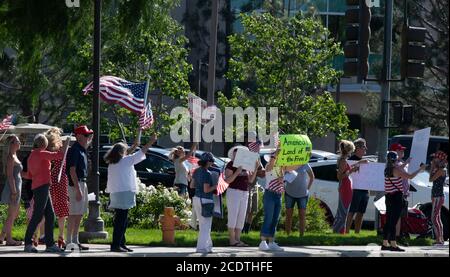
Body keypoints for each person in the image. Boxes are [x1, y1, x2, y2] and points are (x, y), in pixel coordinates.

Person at [104, 134, 157, 252]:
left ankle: (121, 243)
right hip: (124, 193)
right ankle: (116, 245)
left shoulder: (113, 163)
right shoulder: (125, 161)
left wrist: (137, 139)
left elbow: (132, 152)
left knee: (121, 219)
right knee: (121, 221)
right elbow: (141, 152)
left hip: (116, 193)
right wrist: (151, 141)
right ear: (121, 152)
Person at [23, 133, 69, 253]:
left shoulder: (32, 155)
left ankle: (50, 244)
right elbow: (58, 156)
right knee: (38, 215)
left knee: (50, 215)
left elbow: (28, 174)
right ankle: (28, 243)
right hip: (42, 186)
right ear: (44, 143)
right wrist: (64, 147)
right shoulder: (42, 153)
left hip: (39, 186)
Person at [381, 151, 426, 252]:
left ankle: (384, 243)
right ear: (395, 160)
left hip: (388, 197)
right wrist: (420, 169)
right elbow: (410, 176)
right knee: (393, 221)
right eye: (397, 159)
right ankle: (393, 245)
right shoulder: (396, 170)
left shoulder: (387, 169)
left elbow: (398, 169)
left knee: (388, 221)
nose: (398, 161)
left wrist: (406, 163)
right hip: (396, 197)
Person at [258, 148, 295, 251]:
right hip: (269, 194)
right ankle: (263, 242)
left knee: (275, 219)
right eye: (275, 156)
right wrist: (275, 154)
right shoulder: (268, 166)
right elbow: (269, 168)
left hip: (278, 195)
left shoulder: (282, 168)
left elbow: (294, 168)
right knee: (268, 218)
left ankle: (271, 241)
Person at [224, 145, 258, 246]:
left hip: (244, 192)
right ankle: (232, 240)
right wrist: (237, 172)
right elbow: (227, 180)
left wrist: (255, 168)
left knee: (241, 216)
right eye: (235, 152)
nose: (237, 154)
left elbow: (251, 180)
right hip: (234, 191)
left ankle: (238, 239)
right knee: (233, 216)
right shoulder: (230, 165)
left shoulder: (247, 165)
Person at [65, 125, 93, 251]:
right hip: (76, 184)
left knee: (79, 213)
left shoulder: (81, 148)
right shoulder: (75, 150)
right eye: (86, 135)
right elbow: (72, 170)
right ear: (79, 136)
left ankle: (75, 241)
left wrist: (90, 137)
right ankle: (69, 241)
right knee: (73, 214)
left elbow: (87, 143)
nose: (88, 138)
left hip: (82, 183)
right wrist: (78, 189)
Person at [333, 140, 367, 234]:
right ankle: (339, 231)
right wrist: (351, 171)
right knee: (344, 211)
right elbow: (340, 176)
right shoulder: (343, 161)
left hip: (347, 186)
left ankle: (340, 231)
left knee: (344, 210)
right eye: (352, 149)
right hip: (345, 186)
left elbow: (347, 170)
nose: (353, 151)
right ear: (349, 150)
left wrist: (357, 164)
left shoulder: (344, 159)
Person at [45, 128, 70, 249]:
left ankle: (41, 235)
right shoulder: (60, 151)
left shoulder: (46, 151)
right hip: (58, 181)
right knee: (60, 210)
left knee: (49, 209)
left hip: (49, 181)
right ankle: (60, 236)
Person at [191, 152, 217, 254]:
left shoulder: (196, 171)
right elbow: (206, 190)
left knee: (203, 225)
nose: (212, 164)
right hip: (206, 200)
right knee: (206, 226)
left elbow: (192, 185)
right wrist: (216, 186)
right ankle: (201, 248)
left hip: (196, 198)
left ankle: (208, 246)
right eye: (211, 162)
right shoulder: (207, 173)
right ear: (208, 162)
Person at [0, 135, 23, 246]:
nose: (20, 142)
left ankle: (2, 236)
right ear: (12, 144)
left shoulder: (15, 155)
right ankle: (9, 239)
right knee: (12, 215)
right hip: (13, 188)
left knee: (14, 214)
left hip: (17, 187)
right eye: (18, 141)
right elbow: (10, 176)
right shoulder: (10, 157)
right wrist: (14, 192)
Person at [345, 138, 369, 234]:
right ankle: (346, 232)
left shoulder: (366, 161)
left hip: (364, 190)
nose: (365, 150)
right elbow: (347, 170)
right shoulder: (350, 160)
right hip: (354, 189)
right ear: (357, 148)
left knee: (361, 212)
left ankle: (357, 233)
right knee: (352, 211)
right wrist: (359, 163)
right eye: (363, 147)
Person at [390, 143, 412, 246]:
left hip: (404, 194)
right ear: (394, 152)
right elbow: (398, 171)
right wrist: (406, 163)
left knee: (402, 216)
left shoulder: (402, 162)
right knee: (397, 216)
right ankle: (396, 236)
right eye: (400, 150)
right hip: (397, 193)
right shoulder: (394, 164)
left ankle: (399, 235)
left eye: (403, 150)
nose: (402, 152)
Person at [284, 163, 315, 236]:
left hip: (302, 194)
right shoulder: (289, 162)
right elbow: (283, 175)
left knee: (302, 215)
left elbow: (312, 177)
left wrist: (307, 189)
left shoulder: (305, 164)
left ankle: (302, 235)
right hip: (289, 193)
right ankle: (287, 234)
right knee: (288, 215)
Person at [429, 150, 447, 246]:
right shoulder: (440, 169)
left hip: (438, 196)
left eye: (435, 158)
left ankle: (439, 239)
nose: (433, 160)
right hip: (437, 196)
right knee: (437, 217)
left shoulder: (441, 170)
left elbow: (430, 179)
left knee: (434, 218)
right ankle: (440, 238)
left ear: (439, 159)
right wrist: (433, 167)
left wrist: (432, 167)